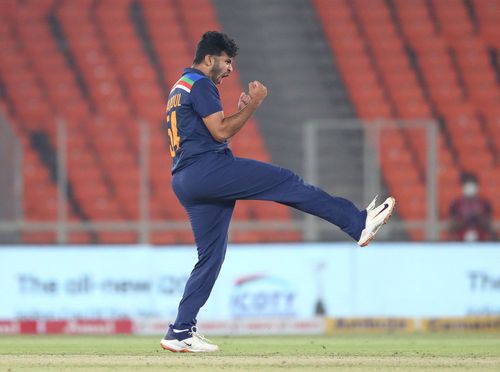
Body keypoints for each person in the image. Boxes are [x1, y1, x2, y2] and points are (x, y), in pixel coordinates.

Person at [160, 31, 396, 353]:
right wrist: (254, 104)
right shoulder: (202, 84)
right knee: (286, 182)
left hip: (186, 178)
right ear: (210, 58)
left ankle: (180, 331)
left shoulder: (180, 86)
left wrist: (239, 111)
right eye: (227, 62)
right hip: (207, 171)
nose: (230, 69)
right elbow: (220, 131)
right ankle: (357, 223)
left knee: (210, 258)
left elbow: (205, 133)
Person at [449, 172, 494, 241]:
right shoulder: (456, 204)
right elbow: (452, 227)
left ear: (477, 186)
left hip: (482, 242)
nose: (470, 187)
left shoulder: (485, 203)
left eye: (472, 184)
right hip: (460, 242)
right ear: (462, 186)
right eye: (467, 184)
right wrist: (465, 219)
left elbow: (489, 226)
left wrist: (478, 217)